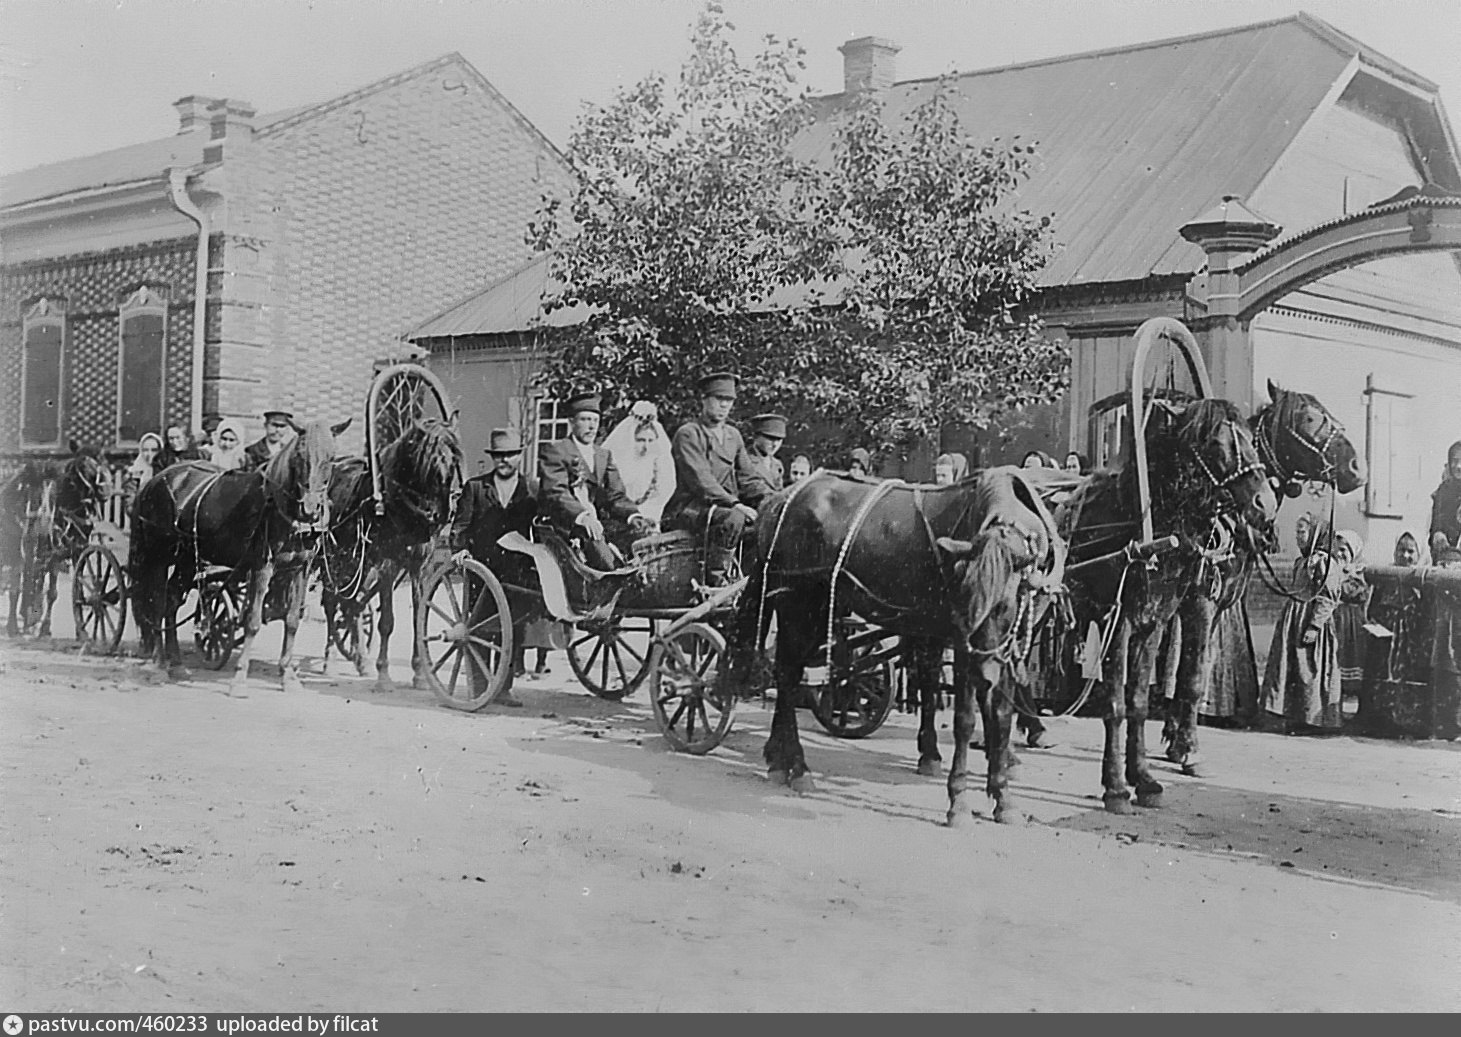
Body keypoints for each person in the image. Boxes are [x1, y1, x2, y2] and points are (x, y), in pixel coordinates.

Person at [451, 427, 538, 706]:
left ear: (519, 456)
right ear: (493, 458)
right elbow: (460, 526)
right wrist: (461, 548)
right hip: (482, 567)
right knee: (479, 627)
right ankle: (479, 687)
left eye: (510, 455)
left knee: (512, 627)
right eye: (500, 456)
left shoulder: (531, 490)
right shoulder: (476, 488)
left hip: (517, 569)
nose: (505, 461)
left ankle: (503, 688)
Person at [662, 372, 772, 587]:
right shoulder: (689, 434)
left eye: (729, 401)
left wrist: (773, 499)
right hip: (690, 508)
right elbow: (702, 481)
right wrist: (736, 504)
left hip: (724, 510)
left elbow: (748, 478)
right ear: (704, 400)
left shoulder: (733, 435)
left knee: (765, 521)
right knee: (734, 519)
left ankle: (748, 581)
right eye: (718, 399)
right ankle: (716, 582)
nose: (724, 406)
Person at [1261, 518, 1364, 734]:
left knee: (1310, 667)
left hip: (1310, 620)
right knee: (1290, 666)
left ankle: (1313, 719)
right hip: (1294, 618)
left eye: (1303, 532)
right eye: (1297, 533)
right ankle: (1291, 713)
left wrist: (1315, 626)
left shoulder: (1325, 563)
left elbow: (1328, 597)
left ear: (1317, 535)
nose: (1299, 538)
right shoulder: (1303, 560)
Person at [538, 392, 652, 571]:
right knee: (608, 562)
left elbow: (615, 495)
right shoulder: (557, 451)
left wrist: (633, 515)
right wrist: (583, 517)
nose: (591, 427)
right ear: (571, 422)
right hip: (566, 524)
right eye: (584, 419)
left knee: (642, 540)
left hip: (597, 523)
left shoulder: (603, 455)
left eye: (595, 421)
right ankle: (612, 581)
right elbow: (557, 492)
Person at [1358, 531, 1429, 733]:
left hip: (1410, 640)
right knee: (1380, 672)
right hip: (1385, 638)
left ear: (1418, 553)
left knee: (1405, 676)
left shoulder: (1423, 578)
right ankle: (1377, 720)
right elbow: (1372, 606)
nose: (1405, 556)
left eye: (1410, 551)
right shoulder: (1386, 575)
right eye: (1401, 550)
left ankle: (1404, 722)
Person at [602, 400, 675, 525]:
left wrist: (648, 514)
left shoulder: (658, 464)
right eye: (640, 440)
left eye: (650, 441)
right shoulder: (616, 461)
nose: (646, 447)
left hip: (651, 514)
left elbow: (664, 491)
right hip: (617, 517)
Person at [1429, 440, 1461, 559]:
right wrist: (1437, 534)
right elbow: (1436, 522)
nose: (1458, 466)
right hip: (1446, 556)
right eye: (1455, 461)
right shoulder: (1443, 491)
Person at [747, 414, 787, 492]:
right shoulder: (744, 460)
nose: (775, 444)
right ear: (755, 436)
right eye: (770, 438)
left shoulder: (777, 465)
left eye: (779, 439)